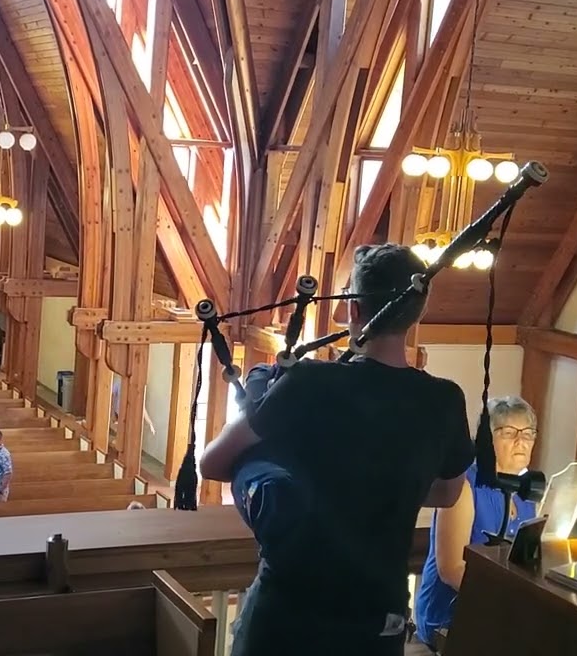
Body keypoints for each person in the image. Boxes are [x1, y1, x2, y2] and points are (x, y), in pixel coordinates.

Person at [199, 243, 474, 656]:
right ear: (417, 314)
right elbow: (447, 493)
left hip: (289, 614)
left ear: (354, 311)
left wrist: (261, 400)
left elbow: (212, 463)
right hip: (375, 620)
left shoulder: (309, 383)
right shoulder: (444, 401)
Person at [414, 396, 539, 649]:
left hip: (502, 606)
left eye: (527, 433)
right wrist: (508, 604)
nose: (521, 441)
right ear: (485, 440)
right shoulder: (465, 487)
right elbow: (451, 570)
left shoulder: (527, 490)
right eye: (508, 433)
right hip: (451, 613)